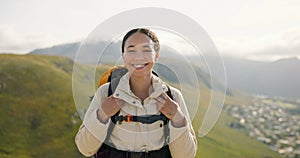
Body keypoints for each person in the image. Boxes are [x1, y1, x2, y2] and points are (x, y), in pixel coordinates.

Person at [75, 28, 197, 158]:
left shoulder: (173, 96)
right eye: (131, 50)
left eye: (146, 50)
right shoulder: (106, 93)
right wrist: (102, 114)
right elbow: (85, 148)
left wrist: (177, 117)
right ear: (123, 56)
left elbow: (186, 156)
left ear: (156, 55)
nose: (139, 57)